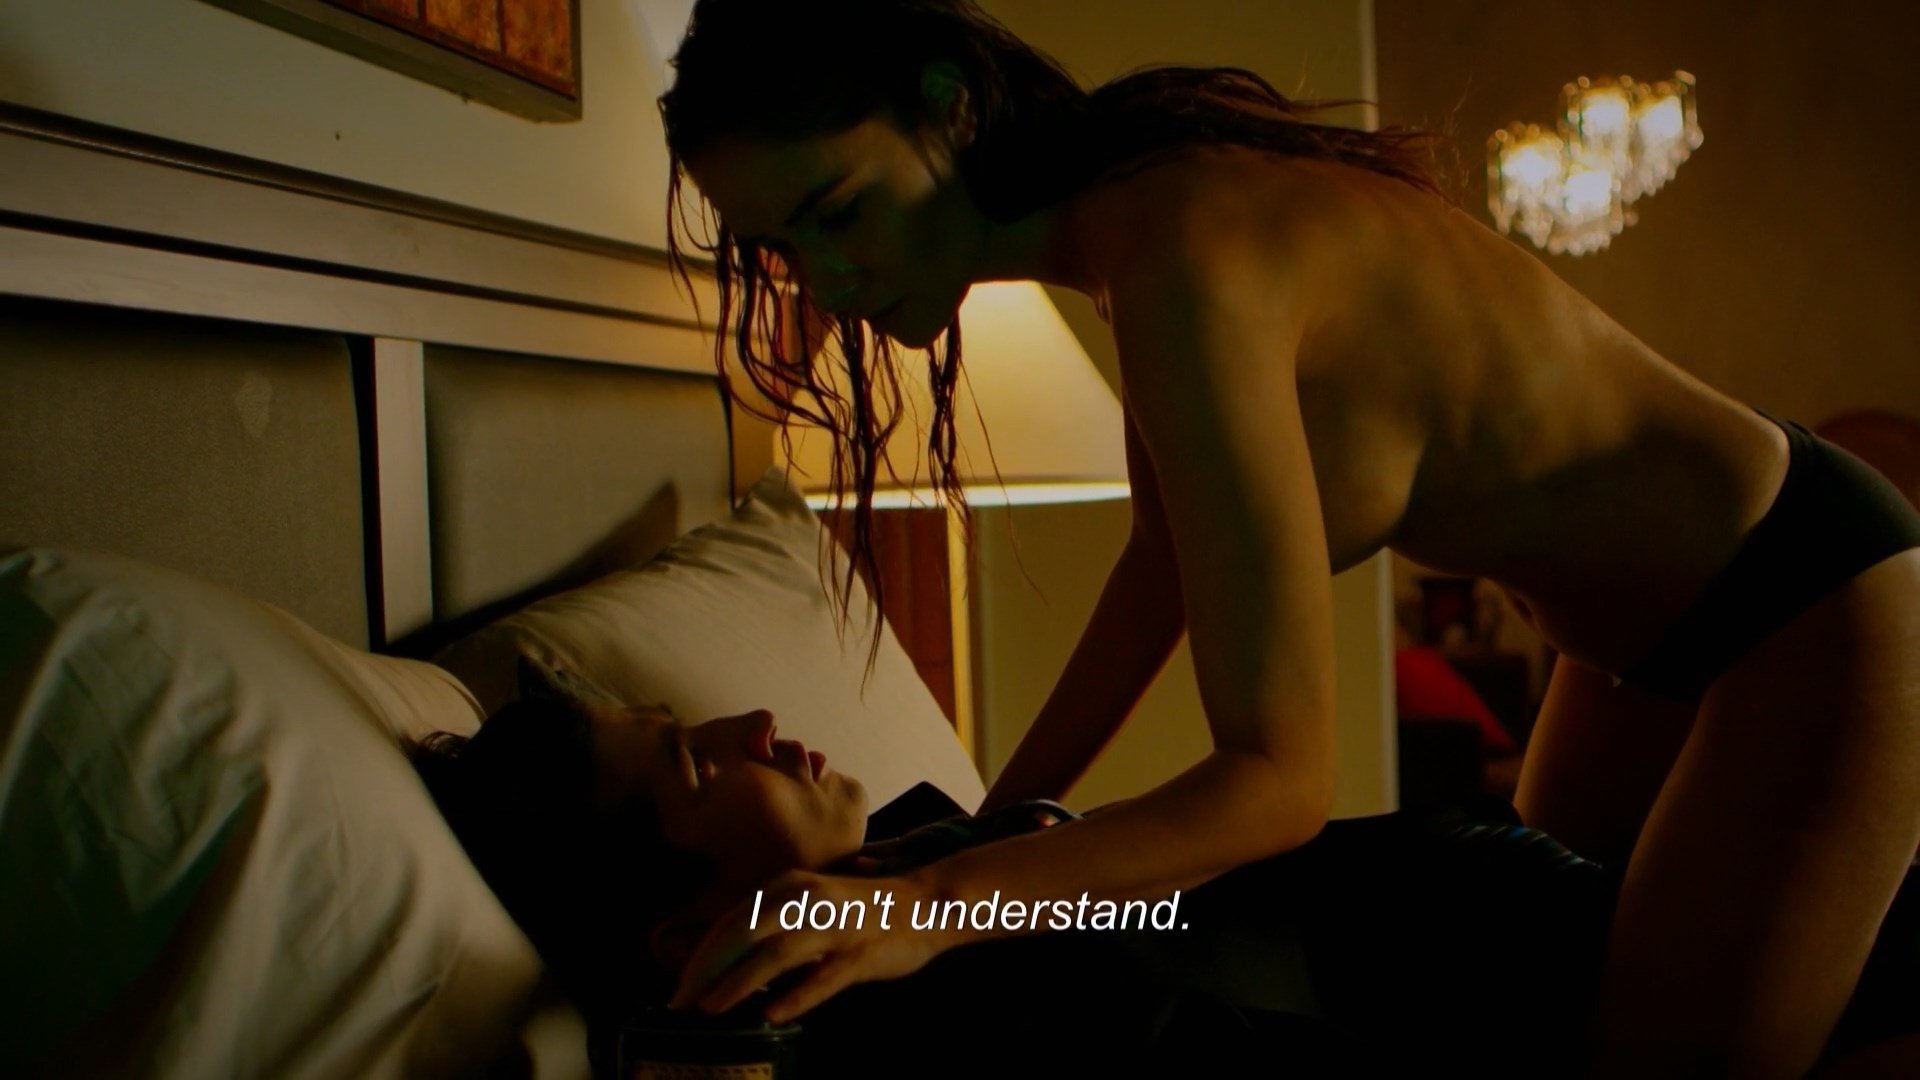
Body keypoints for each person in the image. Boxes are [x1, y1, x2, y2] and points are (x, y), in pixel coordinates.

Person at [652, 2, 1920, 1074]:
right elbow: (1164, 570)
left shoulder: (1181, 251)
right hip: (1631, 650)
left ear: (949, 107)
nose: (823, 284)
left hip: (1801, 599)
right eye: (784, 249)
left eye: (837, 211)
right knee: (1560, 1010)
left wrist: (932, 907)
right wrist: (981, 839)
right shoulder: (1133, 229)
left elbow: (1278, 782)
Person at [410, 661, 1920, 1077]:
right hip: (1549, 976)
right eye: (694, 766)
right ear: (685, 923)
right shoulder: (897, 997)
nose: (750, 724)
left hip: (1519, 902)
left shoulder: (923, 866)